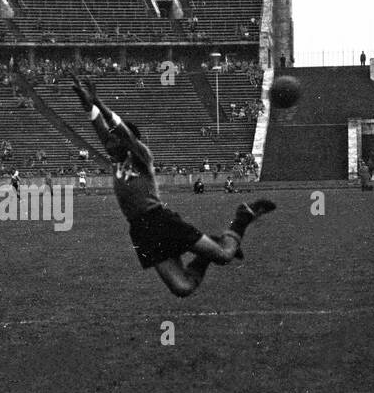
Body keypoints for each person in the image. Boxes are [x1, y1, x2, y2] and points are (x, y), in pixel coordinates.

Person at [70, 76, 274, 297]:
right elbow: (98, 126)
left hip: (159, 220)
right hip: (140, 230)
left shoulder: (142, 155)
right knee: (183, 287)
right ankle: (207, 251)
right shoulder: (116, 156)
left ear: (127, 141)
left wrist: (99, 103)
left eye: (114, 138)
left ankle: (242, 218)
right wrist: (87, 103)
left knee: (225, 256)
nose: (108, 141)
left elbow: (121, 133)